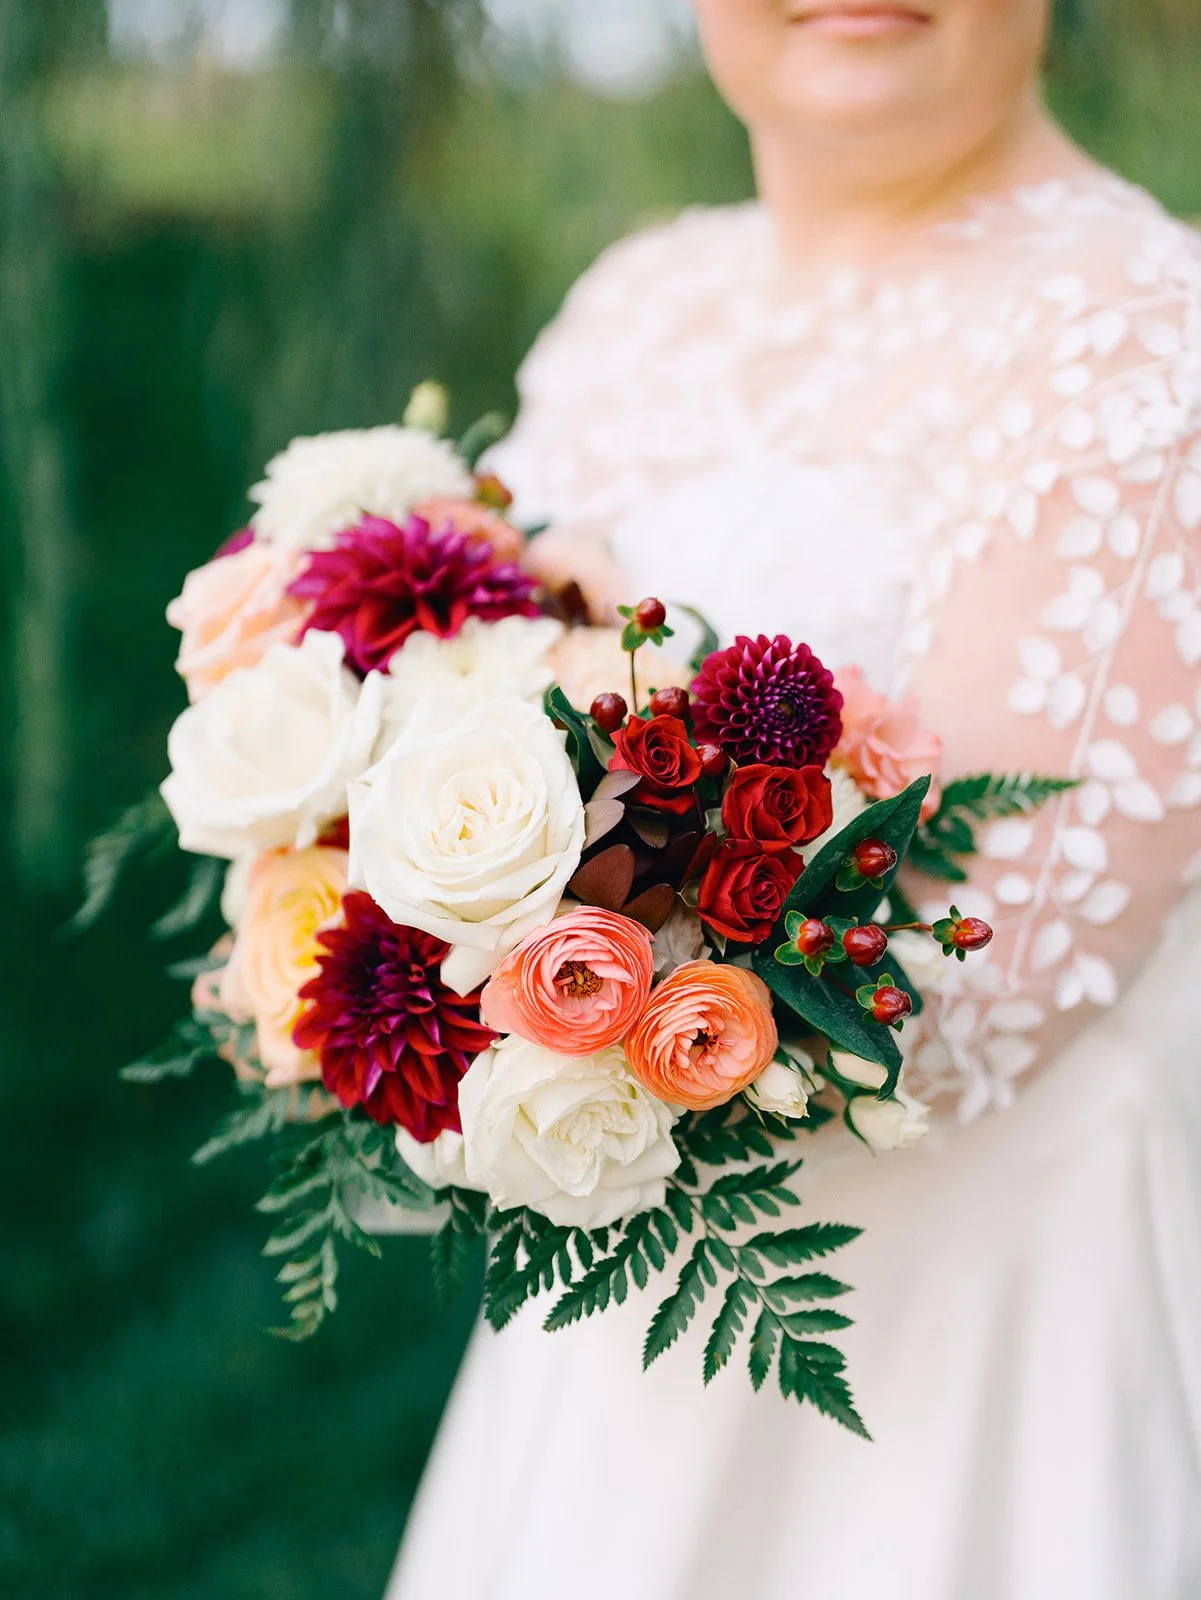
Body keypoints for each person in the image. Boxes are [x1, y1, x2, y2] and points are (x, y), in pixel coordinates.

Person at [388, 2, 1201, 1594]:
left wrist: (601, 740)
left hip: (977, 1358)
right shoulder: (639, 303)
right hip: (621, 1309)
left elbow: (964, 1001)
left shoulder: (1145, 337)